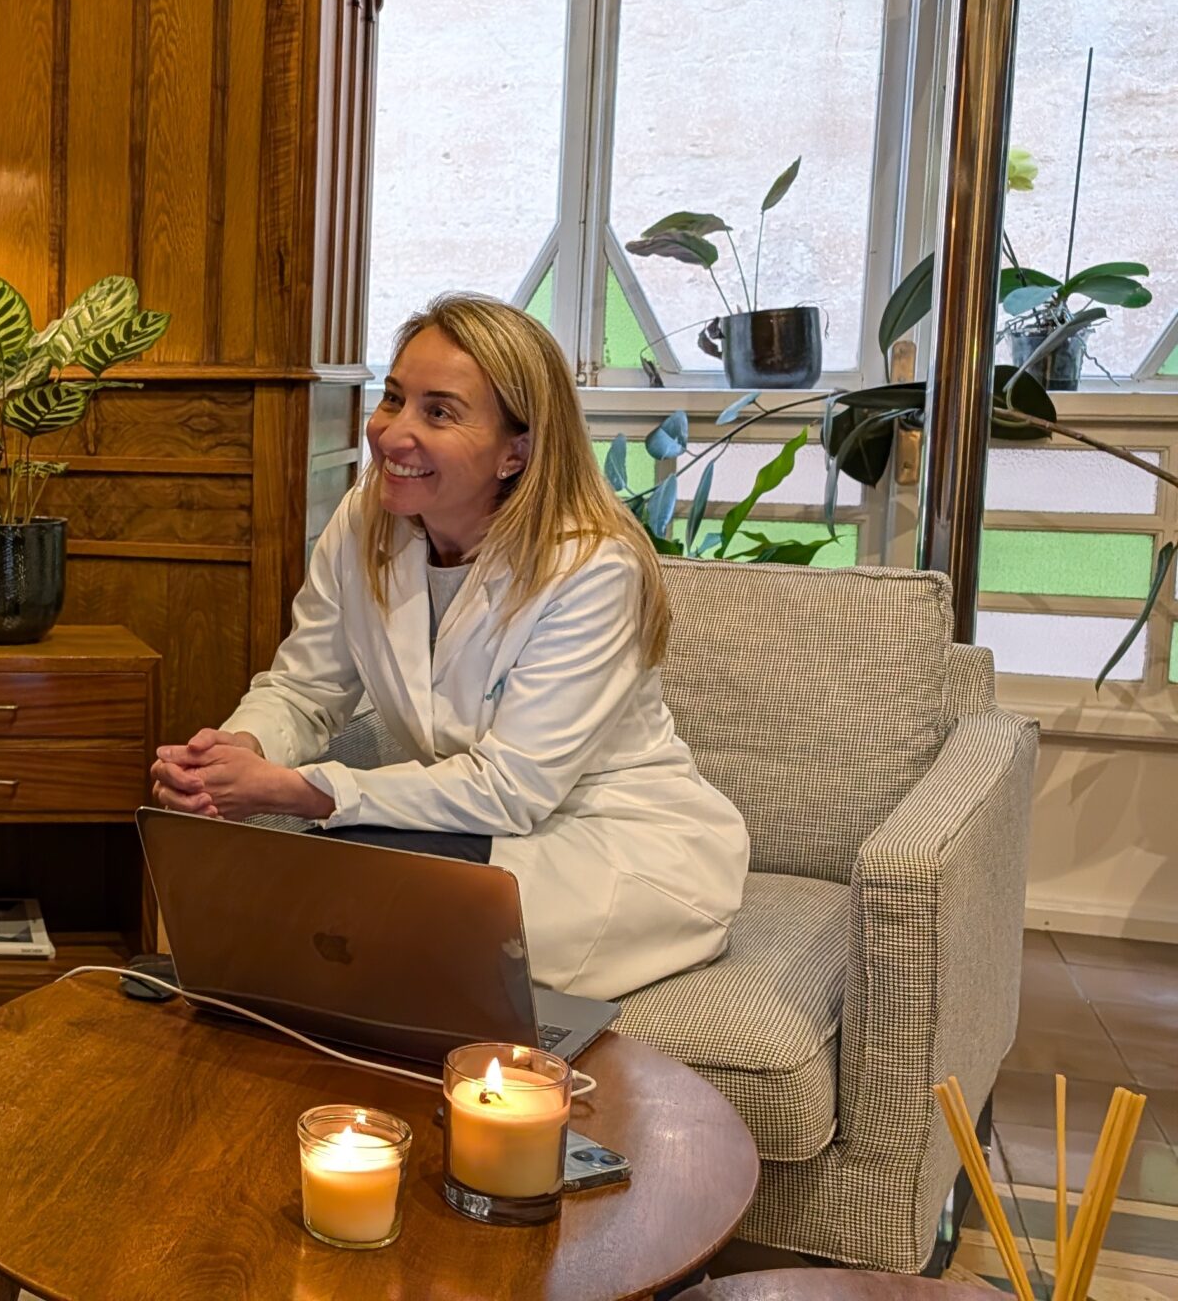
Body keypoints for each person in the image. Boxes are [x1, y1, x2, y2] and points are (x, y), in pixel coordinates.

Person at [150, 293, 747, 1000]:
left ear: (515, 451)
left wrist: (306, 790)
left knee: (340, 908)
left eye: (438, 412)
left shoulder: (592, 568)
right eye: (393, 398)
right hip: (470, 832)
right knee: (282, 892)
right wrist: (240, 751)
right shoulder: (365, 522)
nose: (393, 433)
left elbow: (511, 789)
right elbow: (307, 688)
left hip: (613, 849)